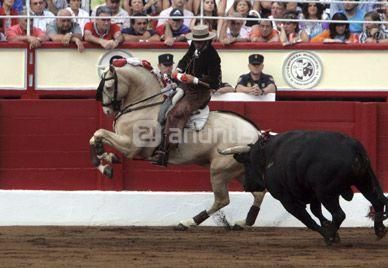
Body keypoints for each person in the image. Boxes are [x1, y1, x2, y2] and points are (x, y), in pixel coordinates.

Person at [152, 24, 221, 166]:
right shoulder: (195, 47)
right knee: (165, 104)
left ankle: (165, 151)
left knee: (175, 113)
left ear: (207, 41)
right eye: (195, 41)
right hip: (185, 86)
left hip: (200, 93)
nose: (197, 44)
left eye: (200, 42)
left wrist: (194, 79)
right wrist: (177, 70)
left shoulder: (213, 57)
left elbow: (215, 83)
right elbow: (185, 60)